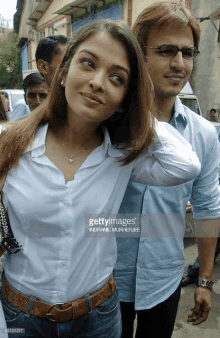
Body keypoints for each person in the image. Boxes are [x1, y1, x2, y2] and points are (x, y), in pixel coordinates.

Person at [0, 19, 200, 338]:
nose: (97, 82)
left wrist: (138, 112)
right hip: (20, 316)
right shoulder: (10, 145)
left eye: (117, 78)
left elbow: (186, 167)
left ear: (125, 97)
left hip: (98, 316)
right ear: (63, 72)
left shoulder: (121, 156)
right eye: (88, 63)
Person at [114, 2, 220, 338]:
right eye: (165, 51)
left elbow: (207, 208)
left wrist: (204, 280)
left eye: (187, 53)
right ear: (137, 55)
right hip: (102, 280)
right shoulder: (109, 124)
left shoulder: (203, 134)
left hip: (164, 282)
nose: (179, 64)